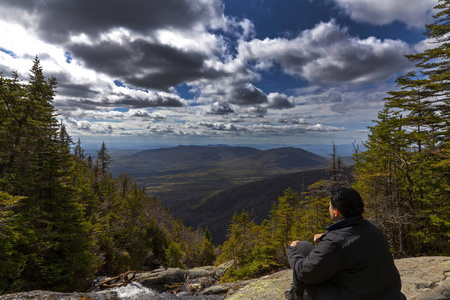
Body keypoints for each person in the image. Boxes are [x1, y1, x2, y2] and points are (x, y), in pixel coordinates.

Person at [285, 185, 406, 300]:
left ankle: (296, 295)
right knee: (307, 249)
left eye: (330, 206)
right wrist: (327, 237)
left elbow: (305, 272)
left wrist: (291, 250)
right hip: (386, 294)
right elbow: (350, 244)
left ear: (336, 212)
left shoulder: (336, 241)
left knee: (301, 247)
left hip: (356, 296)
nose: (329, 209)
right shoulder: (370, 227)